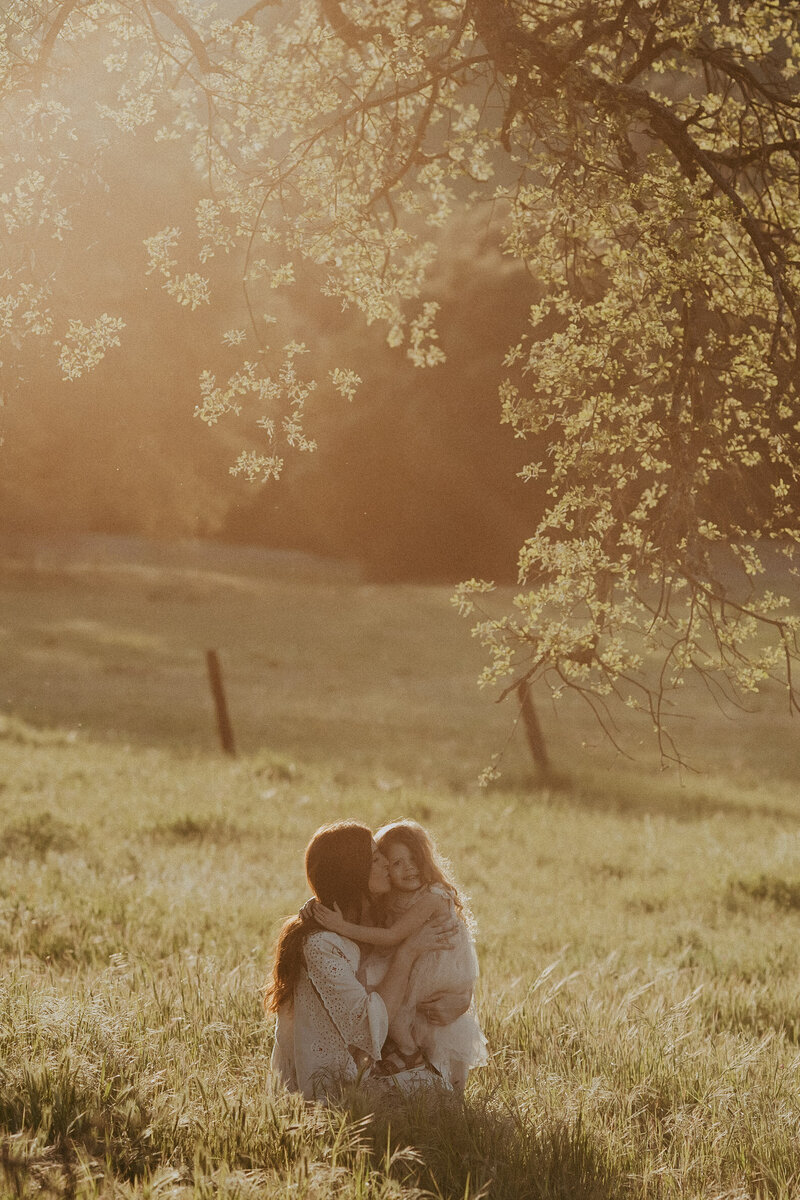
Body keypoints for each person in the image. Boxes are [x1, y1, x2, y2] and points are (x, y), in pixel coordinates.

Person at [265, 820, 458, 1101]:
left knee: (442, 1085)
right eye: (375, 858)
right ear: (354, 872)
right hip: (333, 1085)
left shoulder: (371, 920)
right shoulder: (320, 944)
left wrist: (458, 1001)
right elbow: (368, 1027)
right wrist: (407, 952)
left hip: (366, 1063)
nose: (385, 865)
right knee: (438, 1094)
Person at [311, 819, 487, 1089]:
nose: (408, 869)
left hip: (436, 973)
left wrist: (342, 927)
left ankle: (429, 1076)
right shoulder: (386, 899)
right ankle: (409, 1057)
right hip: (414, 971)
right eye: (394, 863)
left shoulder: (432, 896)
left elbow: (393, 936)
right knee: (400, 1015)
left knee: (439, 1036)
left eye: (413, 859)